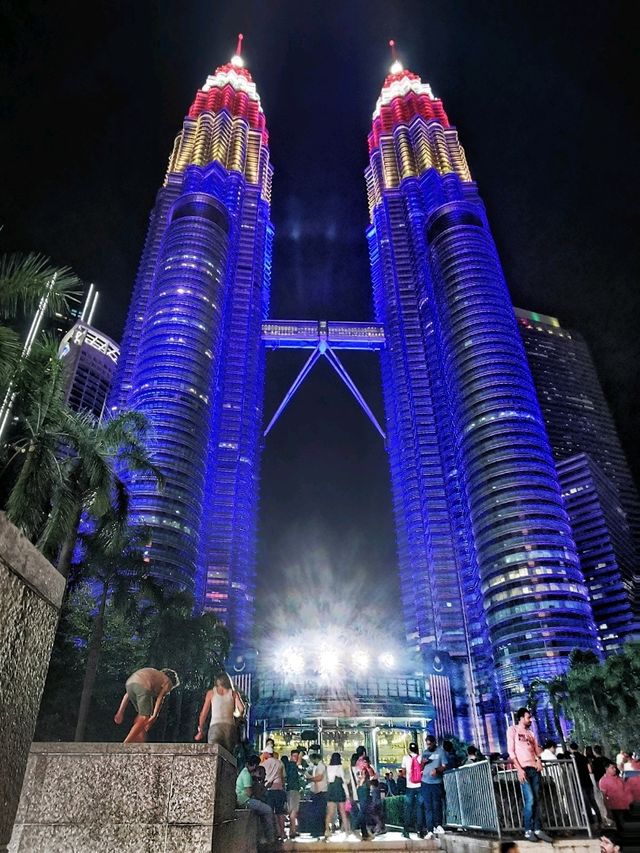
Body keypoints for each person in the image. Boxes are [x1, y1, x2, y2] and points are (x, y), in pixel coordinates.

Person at [507, 707, 553, 843]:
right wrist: (519, 769)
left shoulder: (531, 733)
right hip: (524, 769)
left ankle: (538, 829)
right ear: (521, 718)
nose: (530, 720)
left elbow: (536, 750)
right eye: (528, 717)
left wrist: (539, 760)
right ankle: (528, 830)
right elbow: (511, 751)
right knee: (530, 799)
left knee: (537, 799)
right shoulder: (512, 730)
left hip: (534, 769)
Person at [114, 667, 179, 743]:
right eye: (169, 690)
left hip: (129, 684)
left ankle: (140, 735)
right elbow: (160, 699)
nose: (168, 692)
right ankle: (127, 743)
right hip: (143, 687)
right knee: (144, 717)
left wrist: (120, 712)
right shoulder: (168, 681)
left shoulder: (152, 674)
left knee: (142, 715)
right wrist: (154, 716)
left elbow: (127, 694)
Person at [194, 671, 244, 753]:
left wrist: (201, 730)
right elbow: (242, 709)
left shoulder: (211, 693)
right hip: (230, 727)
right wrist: (238, 717)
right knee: (228, 756)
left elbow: (203, 714)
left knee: (213, 754)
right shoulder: (234, 694)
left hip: (215, 726)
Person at [236, 754, 276, 845]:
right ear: (254, 765)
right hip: (245, 801)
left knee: (261, 811)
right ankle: (270, 838)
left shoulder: (245, 772)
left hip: (243, 799)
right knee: (268, 810)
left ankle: (263, 837)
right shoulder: (246, 775)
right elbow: (249, 793)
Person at [421, 734, 448, 837]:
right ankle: (430, 830)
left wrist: (437, 770)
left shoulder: (440, 752)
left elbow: (445, 766)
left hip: (436, 782)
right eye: (427, 744)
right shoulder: (425, 752)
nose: (429, 746)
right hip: (425, 782)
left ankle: (438, 825)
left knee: (436, 804)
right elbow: (421, 766)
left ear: (434, 743)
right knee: (428, 807)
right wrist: (423, 763)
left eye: (430, 744)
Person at [569, 741, 601, 825]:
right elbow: (589, 769)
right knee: (593, 801)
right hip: (588, 781)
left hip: (580, 782)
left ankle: (590, 821)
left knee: (586, 802)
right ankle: (599, 818)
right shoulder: (584, 757)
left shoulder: (572, 758)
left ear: (570, 748)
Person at [350, 746, 375, 841]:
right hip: (364, 787)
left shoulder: (354, 763)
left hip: (358, 788)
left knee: (363, 810)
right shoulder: (364, 762)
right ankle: (355, 826)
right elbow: (372, 774)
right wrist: (368, 766)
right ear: (364, 753)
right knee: (363, 810)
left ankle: (364, 833)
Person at [262, 746, 286, 841]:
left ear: (268, 754)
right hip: (279, 789)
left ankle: (273, 834)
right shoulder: (280, 763)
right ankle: (282, 833)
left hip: (270, 790)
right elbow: (284, 777)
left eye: (264, 753)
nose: (264, 754)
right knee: (280, 813)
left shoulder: (264, 764)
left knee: (270, 813)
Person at [598, 761, 632, 830]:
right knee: (621, 826)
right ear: (606, 769)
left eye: (615, 767)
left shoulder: (619, 779)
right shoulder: (603, 781)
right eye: (612, 768)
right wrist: (608, 811)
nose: (615, 769)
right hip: (615, 808)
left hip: (625, 806)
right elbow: (604, 797)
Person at [401, 741, 423, 839]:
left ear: (409, 749)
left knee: (408, 808)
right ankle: (420, 830)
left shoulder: (405, 758)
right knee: (419, 808)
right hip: (420, 786)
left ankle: (406, 830)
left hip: (409, 787)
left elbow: (403, 772)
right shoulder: (420, 757)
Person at [325, 752, 350, 839]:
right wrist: (347, 794)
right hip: (339, 790)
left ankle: (327, 830)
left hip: (331, 790)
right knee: (342, 812)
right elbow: (343, 781)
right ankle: (347, 831)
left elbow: (329, 779)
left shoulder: (328, 768)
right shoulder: (340, 767)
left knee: (330, 813)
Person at [306, 746, 328, 839]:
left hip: (321, 792)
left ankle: (319, 831)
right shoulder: (317, 766)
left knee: (319, 812)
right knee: (317, 812)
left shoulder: (321, 766)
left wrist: (309, 778)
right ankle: (317, 831)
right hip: (317, 792)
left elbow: (319, 778)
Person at [285, 748, 304, 840]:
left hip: (290, 790)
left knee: (292, 810)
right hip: (293, 790)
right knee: (293, 810)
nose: (296, 758)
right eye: (295, 756)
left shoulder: (288, 766)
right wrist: (300, 756)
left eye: (297, 756)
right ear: (291, 756)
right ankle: (292, 831)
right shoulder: (292, 765)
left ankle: (292, 830)